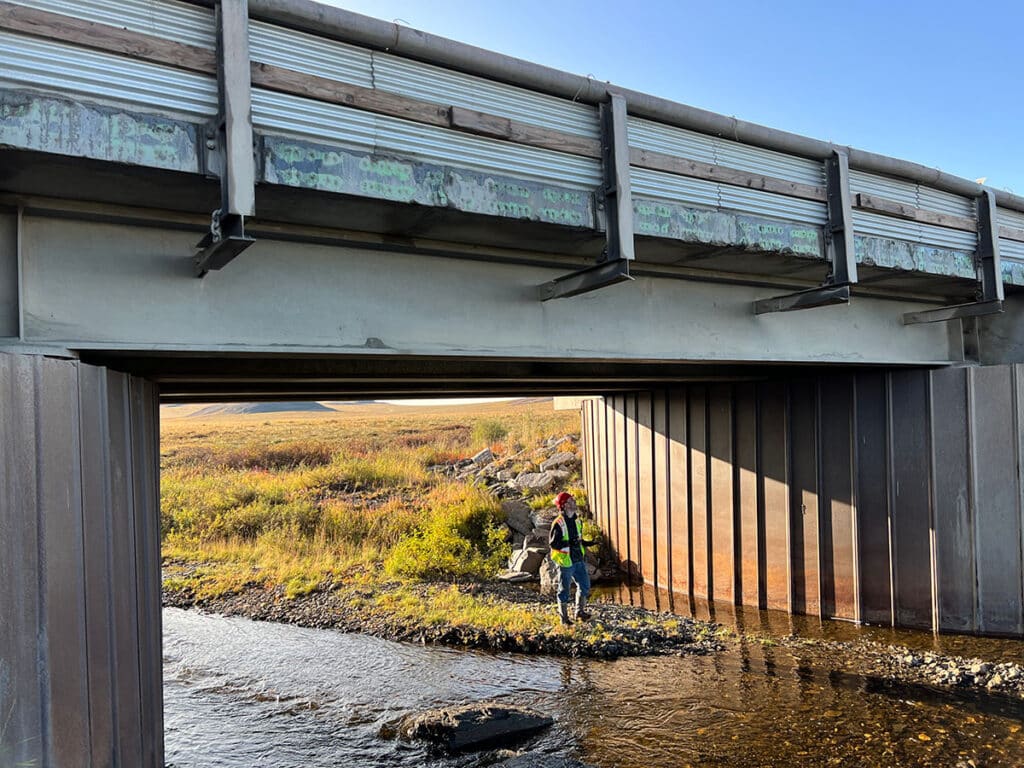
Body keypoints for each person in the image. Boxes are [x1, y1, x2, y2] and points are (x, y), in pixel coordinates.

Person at [548, 491, 595, 626]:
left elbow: (577, 540)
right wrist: (569, 543)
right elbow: (553, 544)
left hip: (578, 559)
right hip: (566, 562)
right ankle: (564, 620)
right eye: (571, 501)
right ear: (564, 505)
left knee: (585, 586)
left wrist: (587, 543)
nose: (574, 502)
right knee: (564, 591)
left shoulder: (577, 520)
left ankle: (579, 612)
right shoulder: (559, 523)